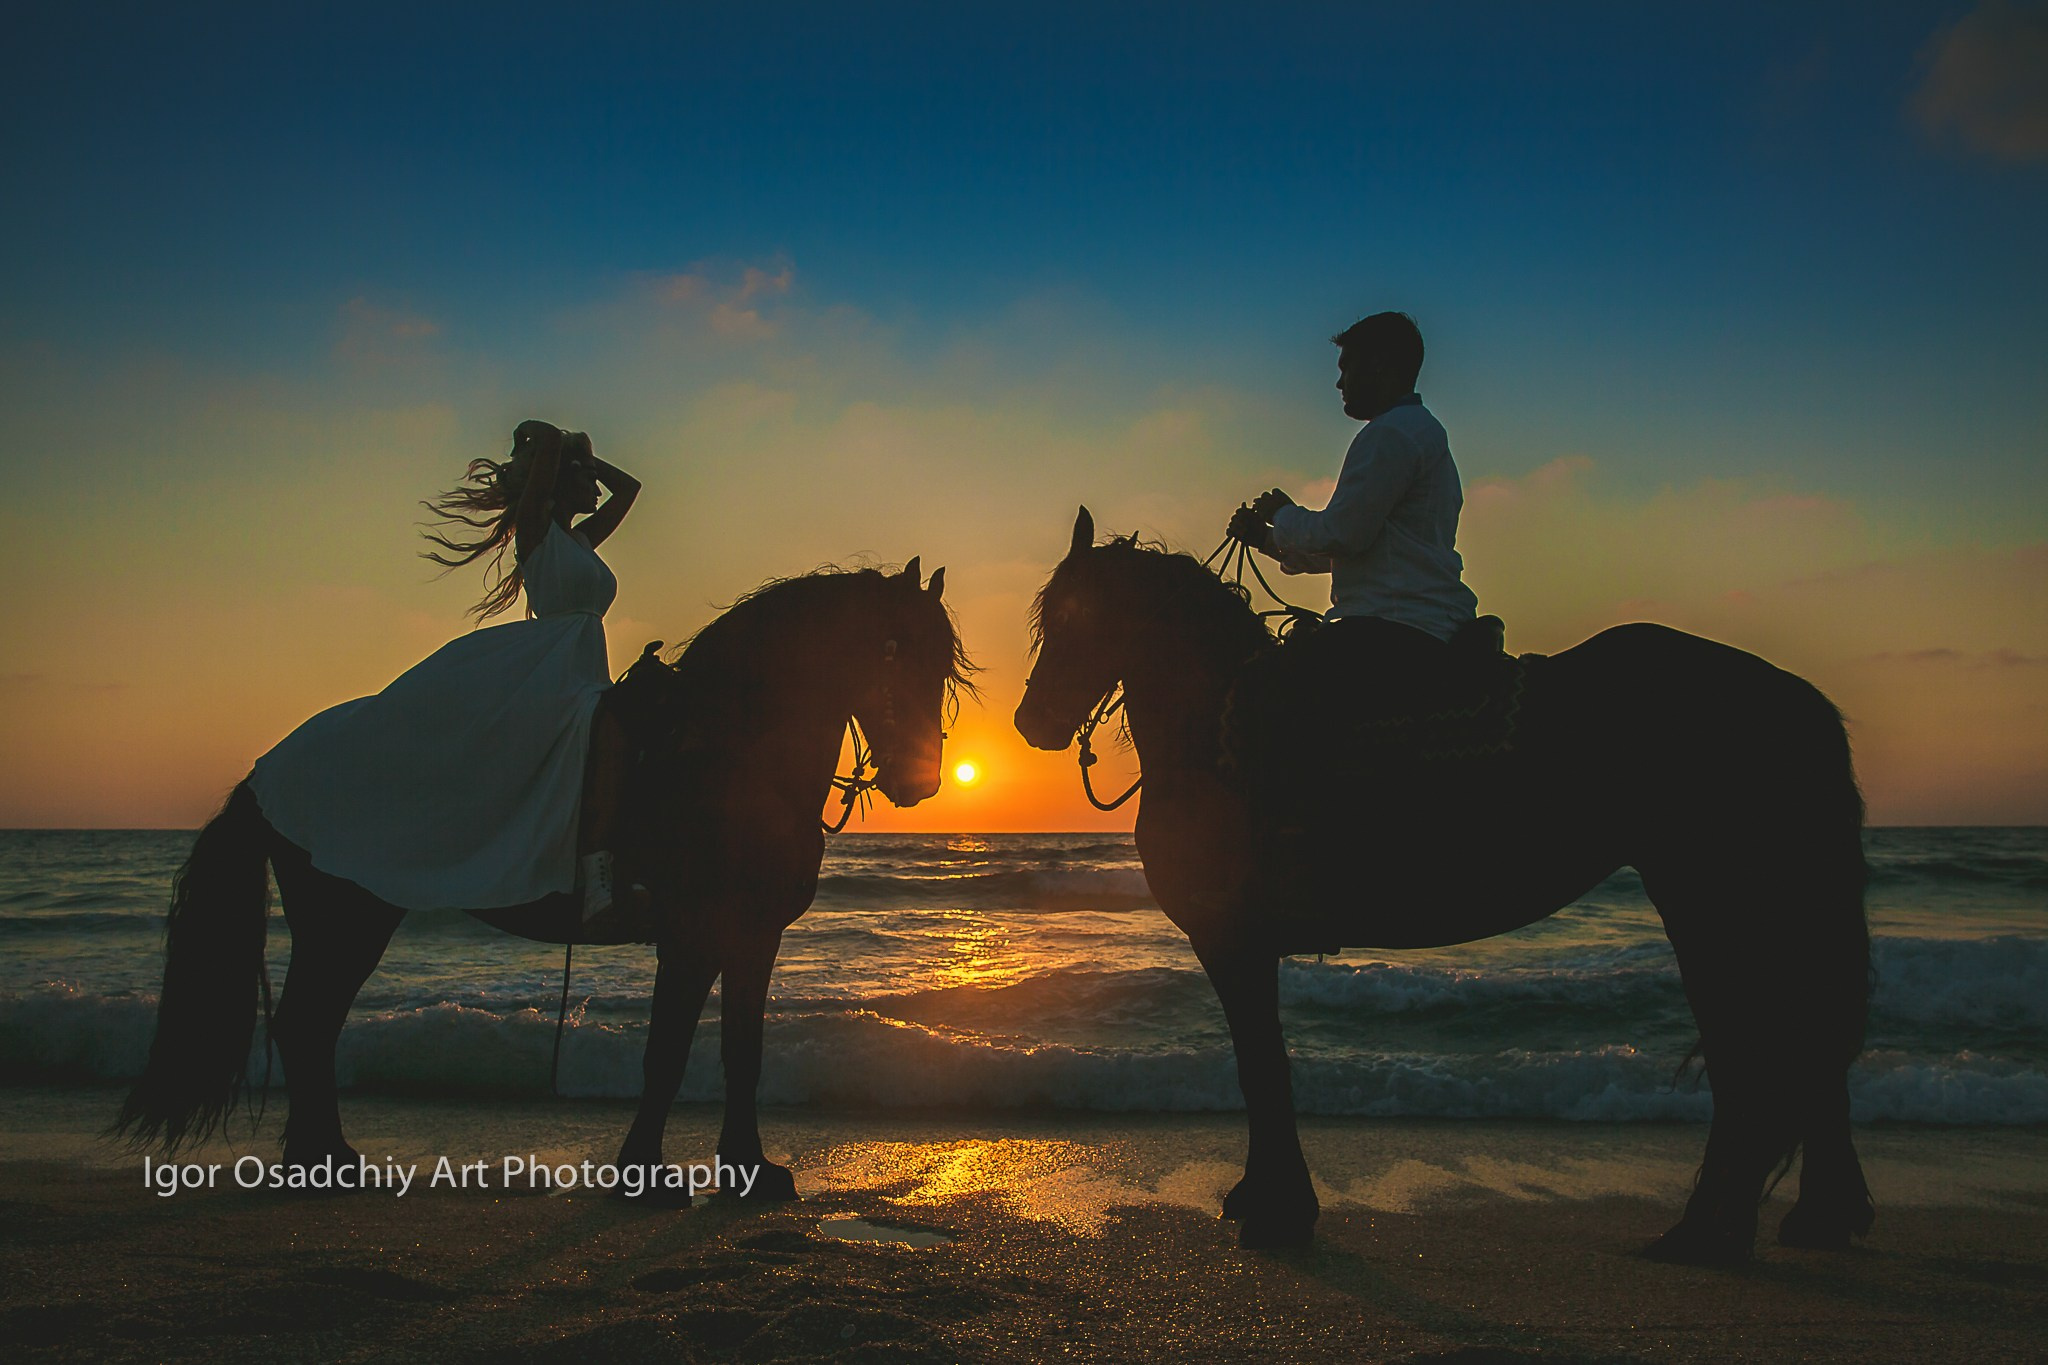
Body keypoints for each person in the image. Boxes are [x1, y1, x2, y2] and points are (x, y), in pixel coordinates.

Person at [247, 419, 648, 923]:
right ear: (559, 480)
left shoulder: (583, 541)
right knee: (597, 735)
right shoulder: (536, 531)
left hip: (582, 662)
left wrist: (586, 462)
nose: (595, 487)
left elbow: (631, 488)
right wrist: (545, 441)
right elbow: (544, 437)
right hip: (546, 666)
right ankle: (596, 877)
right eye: (585, 478)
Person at [1228, 311, 1479, 709]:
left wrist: (1283, 514)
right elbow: (1362, 548)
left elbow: (1344, 534)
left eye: (1348, 368)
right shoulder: (1421, 432)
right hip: (1424, 621)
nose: (1340, 383)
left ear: (1378, 364)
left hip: (1391, 626)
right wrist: (1265, 539)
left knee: (1261, 693)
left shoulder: (1389, 433)